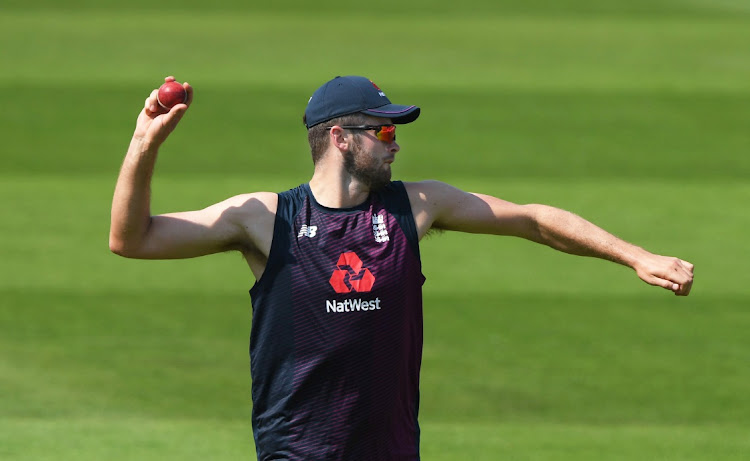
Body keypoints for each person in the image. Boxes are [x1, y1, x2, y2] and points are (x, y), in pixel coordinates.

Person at [110, 75, 694, 460]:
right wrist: (144, 145)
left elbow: (530, 219)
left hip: (392, 450)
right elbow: (131, 239)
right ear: (339, 138)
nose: (395, 143)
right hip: (298, 452)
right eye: (384, 130)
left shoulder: (415, 206)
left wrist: (635, 255)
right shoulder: (266, 218)